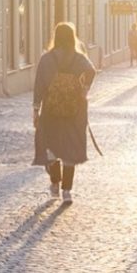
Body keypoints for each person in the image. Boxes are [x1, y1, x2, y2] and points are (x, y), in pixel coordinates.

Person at [33, 22, 96, 205]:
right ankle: (67, 191)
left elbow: (39, 85)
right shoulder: (79, 58)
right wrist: (84, 90)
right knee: (70, 148)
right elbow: (91, 71)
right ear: (72, 37)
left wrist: (36, 109)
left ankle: (54, 183)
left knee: (51, 145)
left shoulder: (47, 59)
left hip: (51, 109)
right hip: (74, 110)